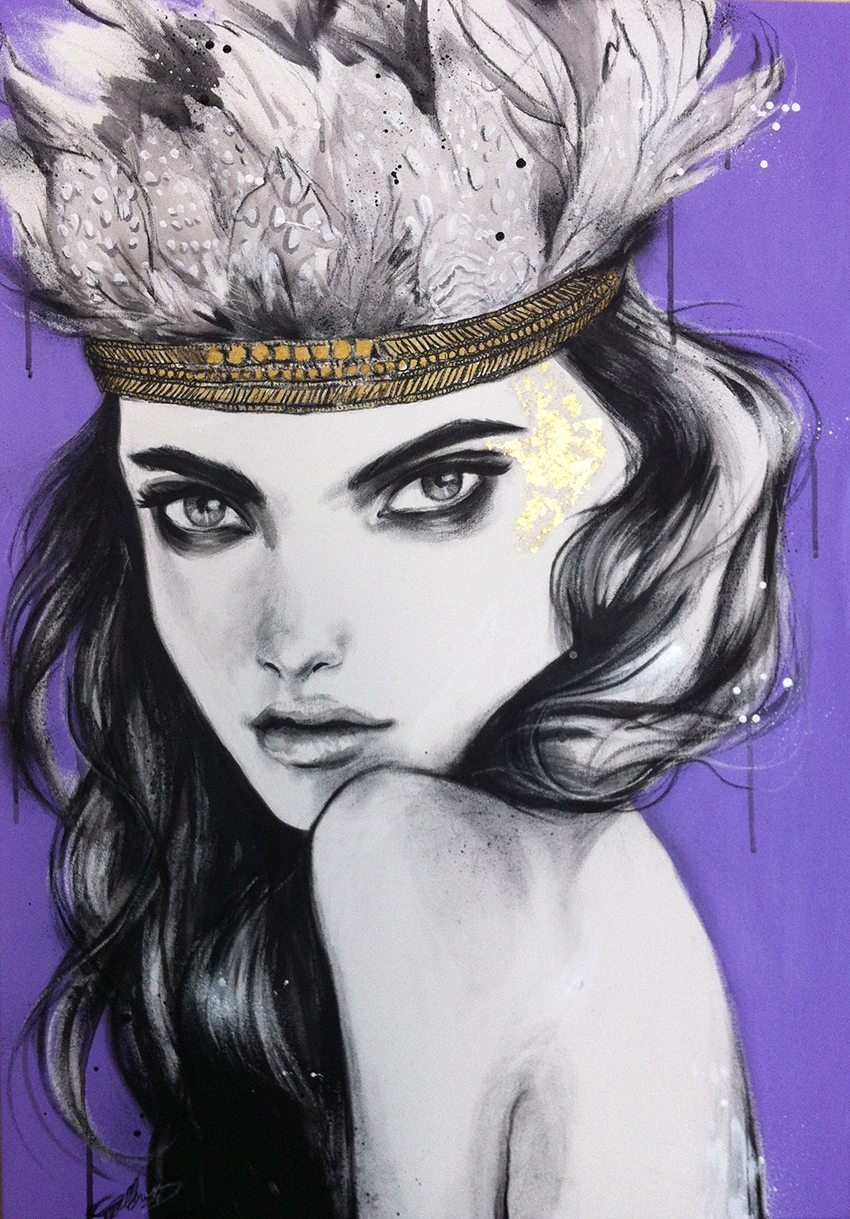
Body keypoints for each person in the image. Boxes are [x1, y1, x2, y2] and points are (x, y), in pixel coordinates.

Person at [0, 0, 799, 1215]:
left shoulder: (418, 854)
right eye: (203, 510)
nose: (296, 639)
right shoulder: (592, 888)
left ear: (629, 471)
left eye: (435, 488)